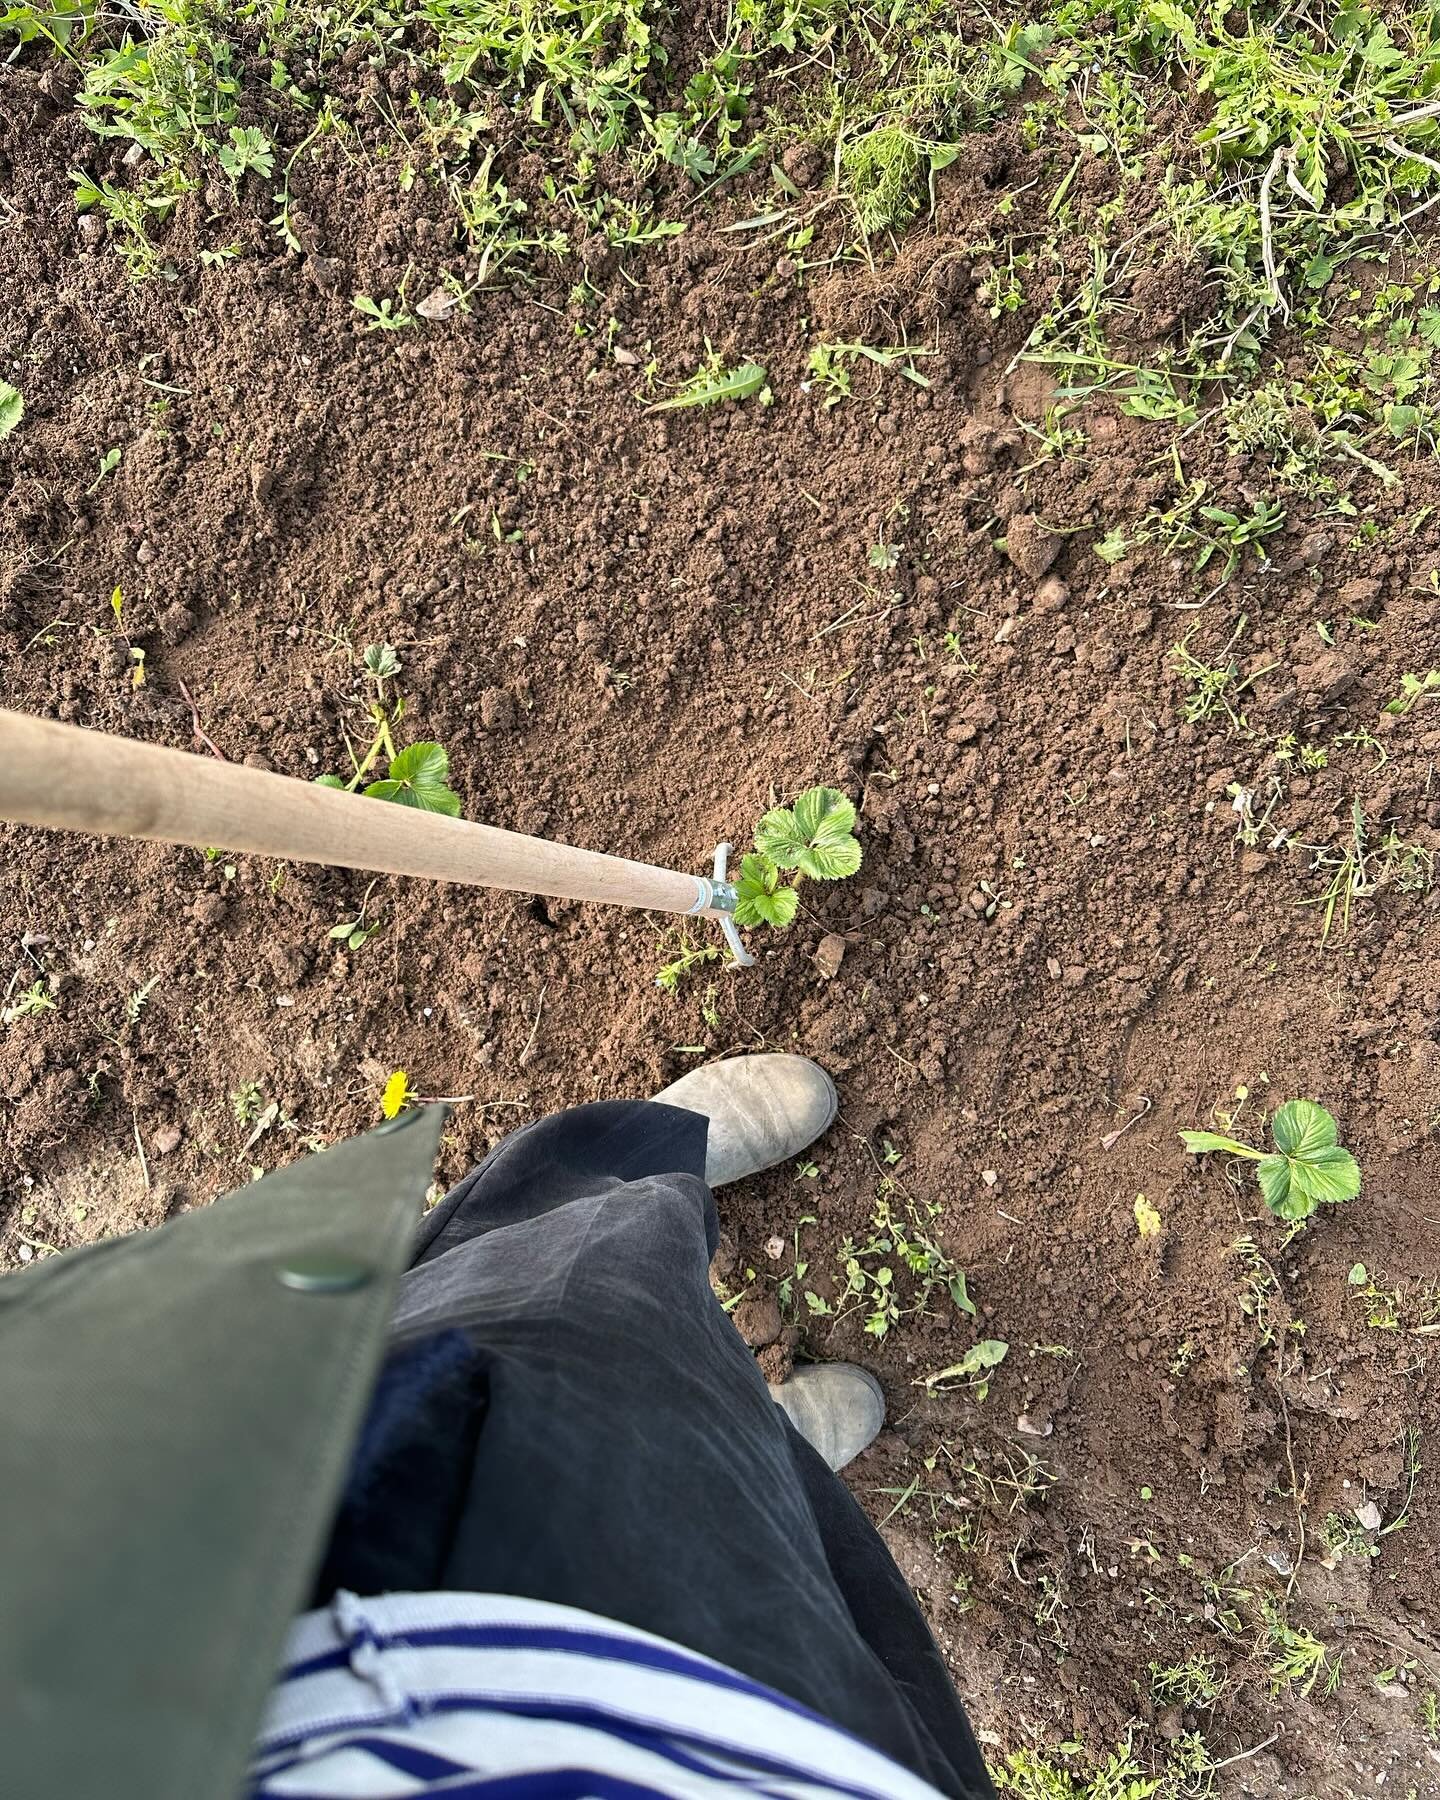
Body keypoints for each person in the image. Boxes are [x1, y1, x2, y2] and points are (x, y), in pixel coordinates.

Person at [3, 1053, 994, 1800]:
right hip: (705, 1744)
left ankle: (643, 1186)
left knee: (560, 1310)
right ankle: (764, 1475)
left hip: (192, 1611)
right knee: (793, 1605)